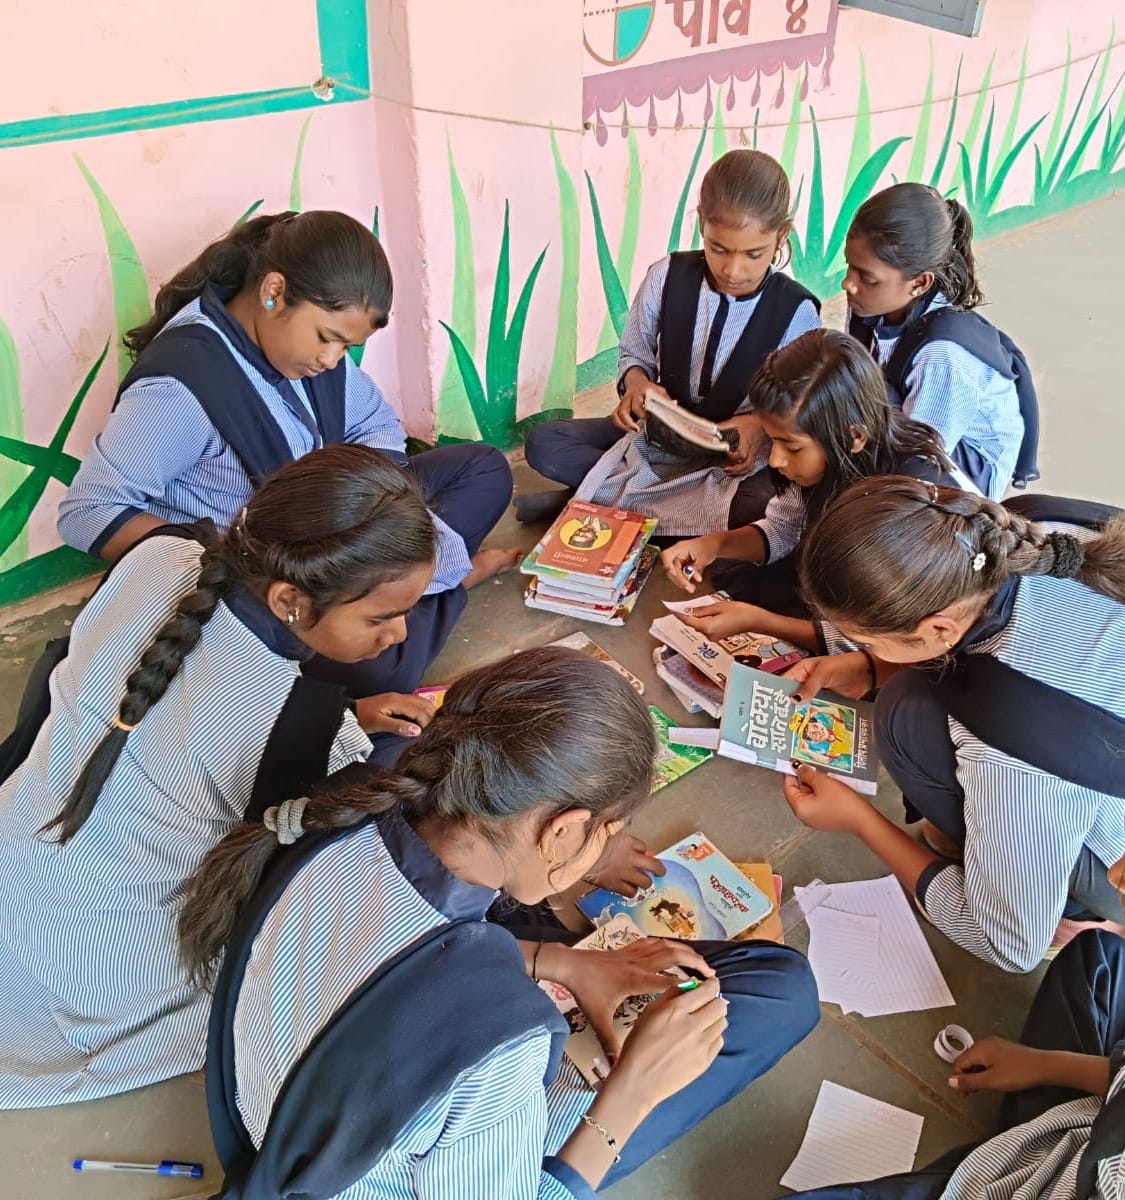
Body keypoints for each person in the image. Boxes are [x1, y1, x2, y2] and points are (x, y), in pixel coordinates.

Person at [181, 647, 820, 1199]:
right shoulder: (504, 1046)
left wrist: (564, 963)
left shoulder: (336, 813)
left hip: (282, 1116)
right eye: (608, 832)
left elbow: (385, 959)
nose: (605, 847)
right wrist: (632, 1093)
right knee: (778, 988)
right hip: (361, 1171)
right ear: (563, 831)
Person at [0, 444, 437, 1108]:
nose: (399, 634)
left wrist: (339, 714)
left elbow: (185, 707)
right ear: (290, 599)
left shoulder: (159, 555)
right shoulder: (298, 730)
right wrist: (335, 726)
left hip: (19, 852)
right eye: (379, 617)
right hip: (91, 971)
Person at [57, 209, 516, 711]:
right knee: (379, 667)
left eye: (348, 346)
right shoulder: (180, 389)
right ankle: (444, 585)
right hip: (271, 573)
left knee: (484, 469)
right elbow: (88, 513)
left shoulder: (306, 355)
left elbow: (377, 426)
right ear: (274, 292)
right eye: (327, 338)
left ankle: (404, 597)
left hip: (340, 534)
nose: (332, 361)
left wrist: (364, 511)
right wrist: (231, 559)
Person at [779, 477, 1125, 972]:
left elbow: (1010, 947)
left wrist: (858, 819)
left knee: (906, 714)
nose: (862, 648)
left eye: (866, 641)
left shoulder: (1011, 732)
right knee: (912, 693)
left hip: (1113, 857)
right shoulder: (1017, 529)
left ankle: (1069, 908)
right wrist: (871, 666)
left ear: (939, 628)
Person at [781, 857, 1125, 1200]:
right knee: (1102, 957)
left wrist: (863, 827)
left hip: (1030, 1179)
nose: (1116, 875)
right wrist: (1042, 1065)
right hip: (1090, 1124)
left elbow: (1016, 947)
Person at [518, 150, 821, 533]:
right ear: (701, 225)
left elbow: (800, 405)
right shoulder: (666, 277)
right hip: (657, 439)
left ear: (782, 235)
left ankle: (599, 495)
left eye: (753, 254)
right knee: (546, 443)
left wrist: (758, 425)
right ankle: (658, 508)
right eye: (718, 248)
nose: (733, 269)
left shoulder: (797, 311)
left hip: (731, 458)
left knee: (763, 502)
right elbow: (635, 353)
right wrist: (637, 385)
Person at [658, 329, 969, 634]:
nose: (776, 460)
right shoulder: (830, 460)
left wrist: (760, 622)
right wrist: (713, 545)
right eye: (772, 440)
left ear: (854, 436)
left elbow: (879, 640)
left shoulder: (905, 505)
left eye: (792, 447)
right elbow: (783, 528)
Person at [844, 183, 1027, 502]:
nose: (848, 283)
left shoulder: (942, 355)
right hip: (909, 421)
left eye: (867, 278)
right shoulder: (870, 302)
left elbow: (922, 458)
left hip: (960, 468)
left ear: (919, 283)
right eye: (849, 267)